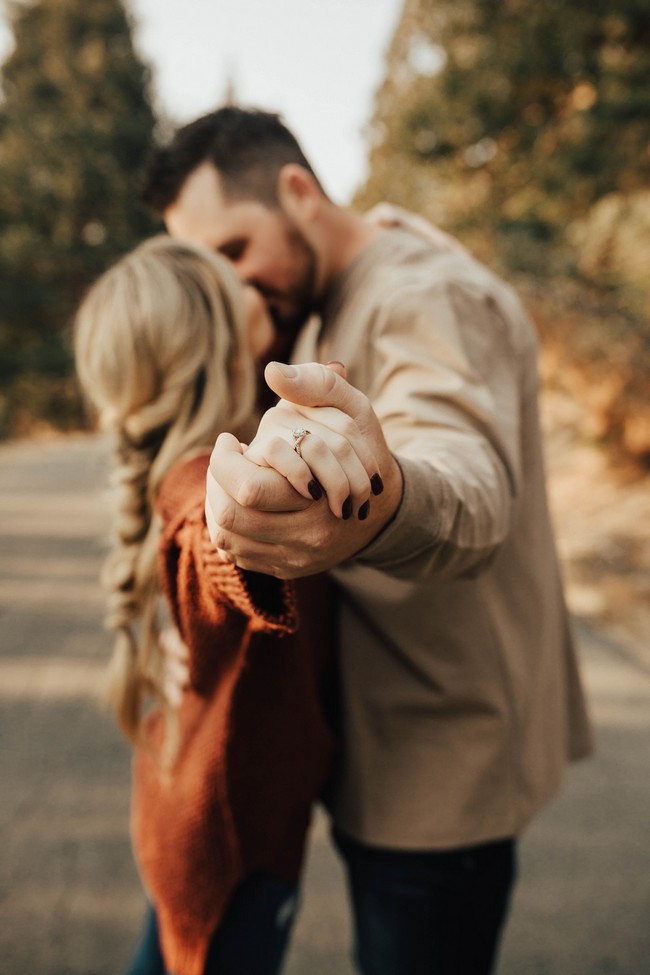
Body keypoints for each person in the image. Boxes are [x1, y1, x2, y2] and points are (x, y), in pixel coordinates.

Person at [141, 107, 595, 975]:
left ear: (298, 192)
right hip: (377, 751)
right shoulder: (330, 296)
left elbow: (468, 478)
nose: (235, 290)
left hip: (436, 782)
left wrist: (380, 501)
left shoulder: (423, 294)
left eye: (235, 251)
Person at [73, 235, 379, 975]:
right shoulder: (198, 481)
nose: (253, 283)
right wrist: (234, 525)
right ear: (210, 336)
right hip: (230, 854)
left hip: (189, 820)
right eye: (229, 278)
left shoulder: (172, 462)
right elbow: (208, 536)